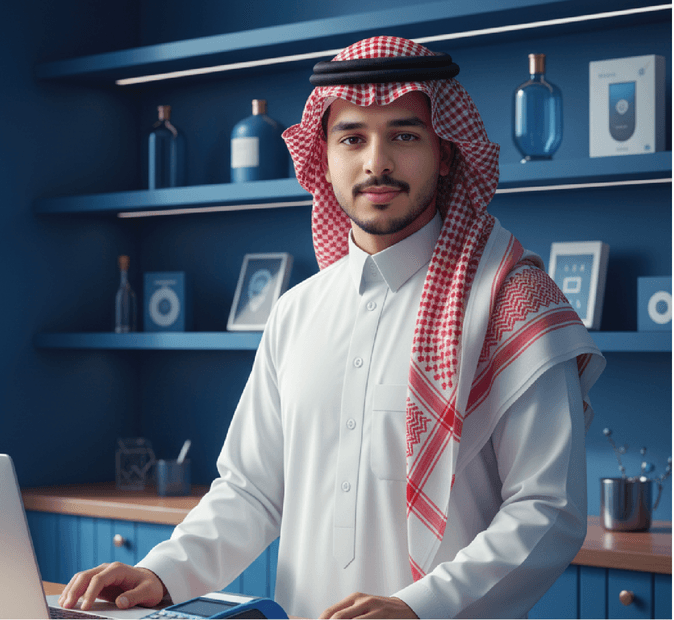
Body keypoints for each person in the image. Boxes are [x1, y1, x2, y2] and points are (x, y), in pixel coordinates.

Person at [58, 36, 605, 619]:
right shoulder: (298, 311)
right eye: (352, 138)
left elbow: (548, 509)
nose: (377, 162)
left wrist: (417, 608)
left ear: (445, 151)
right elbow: (252, 490)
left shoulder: (511, 300)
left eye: (403, 135)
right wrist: (160, 573)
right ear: (324, 155)